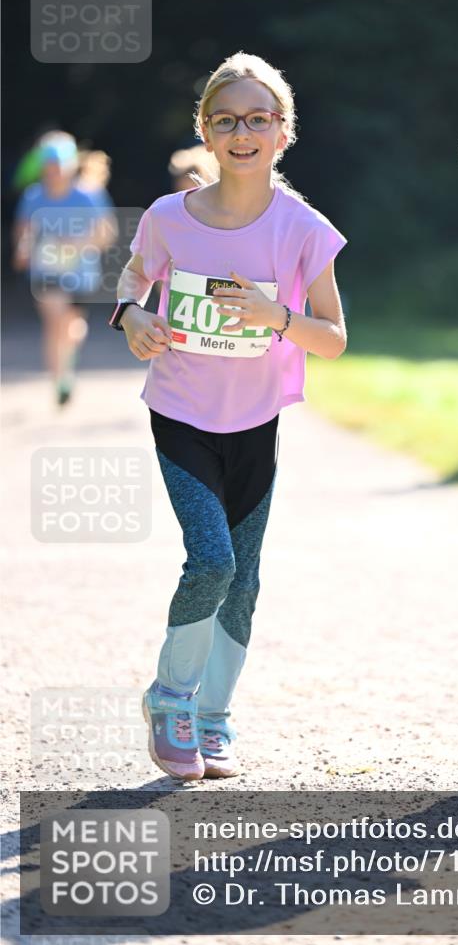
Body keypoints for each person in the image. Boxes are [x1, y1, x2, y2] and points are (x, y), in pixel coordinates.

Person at [111, 52, 347, 780]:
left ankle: (214, 719)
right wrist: (129, 316)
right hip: (181, 413)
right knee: (210, 560)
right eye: (225, 120)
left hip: (255, 424)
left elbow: (334, 339)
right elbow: (133, 277)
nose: (241, 131)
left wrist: (277, 314)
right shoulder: (168, 218)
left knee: (243, 580)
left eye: (257, 118)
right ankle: (171, 698)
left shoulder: (304, 229)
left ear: (283, 132)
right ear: (205, 134)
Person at [12, 132, 116, 405]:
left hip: (81, 276)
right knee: (55, 321)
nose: (53, 173)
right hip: (45, 274)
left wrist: (77, 244)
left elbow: (107, 234)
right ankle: (60, 381)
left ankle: (66, 365)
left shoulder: (89, 195)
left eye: (58, 166)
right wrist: (23, 249)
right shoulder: (33, 196)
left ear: (70, 166)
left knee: (73, 328)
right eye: (48, 167)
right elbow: (23, 232)